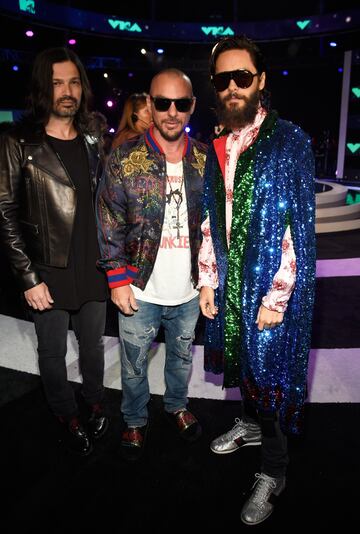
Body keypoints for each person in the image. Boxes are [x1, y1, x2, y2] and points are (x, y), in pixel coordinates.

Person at [198, 35, 315, 525]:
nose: (232, 88)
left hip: (270, 291)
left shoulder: (290, 141)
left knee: (270, 376)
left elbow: (298, 228)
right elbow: (211, 218)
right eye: (223, 80)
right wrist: (207, 279)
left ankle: (275, 470)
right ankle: (247, 424)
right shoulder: (218, 145)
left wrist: (279, 296)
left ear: (261, 81)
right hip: (231, 285)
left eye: (241, 77)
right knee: (243, 363)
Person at [0, 47, 109, 456]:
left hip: (94, 266)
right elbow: (4, 212)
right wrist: (28, 278)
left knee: (94, 347)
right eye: (58, 83)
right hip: (47, 269)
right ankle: (66, 412)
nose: (67, 91)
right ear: (43, 87)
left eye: (74, 82)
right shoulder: (18, 142)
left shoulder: (93, 139)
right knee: (52, 351)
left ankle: (95, 400)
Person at [96, 68, 207, 461]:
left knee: (180, 359)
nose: (171, 112)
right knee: (133, 365)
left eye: (180, 103)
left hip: (190, 290)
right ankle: (135, 420)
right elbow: (108, 216)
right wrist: (117, 278)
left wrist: (209, 280)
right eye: (162, 103)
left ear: (192, 106)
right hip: (140, 288)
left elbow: (213, 225)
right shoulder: (126, 157)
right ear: (150, 106)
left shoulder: (205, 159)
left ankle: (176, 406)